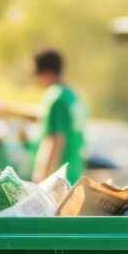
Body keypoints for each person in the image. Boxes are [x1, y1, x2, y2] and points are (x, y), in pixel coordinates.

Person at [30, 48, 86, 183]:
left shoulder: (55, 97)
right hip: (74, 176)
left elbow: (54, 140)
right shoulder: (72, 95)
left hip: (56, 182)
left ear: (45, 72)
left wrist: (39, 182)